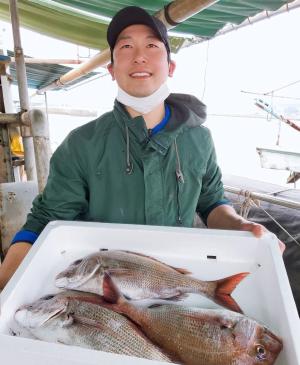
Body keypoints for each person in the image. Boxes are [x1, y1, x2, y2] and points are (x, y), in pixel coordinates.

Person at [0, 6, 284, 290]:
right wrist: (4, 284)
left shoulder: (200, 140)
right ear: (111, 69)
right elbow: (46, 220)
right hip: (106, 289)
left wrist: (238, 224)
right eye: (125, 46)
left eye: (151, 45)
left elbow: (211, 201)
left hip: (178, 282)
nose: (139, 56)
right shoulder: (81, 144)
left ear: (170, 67)